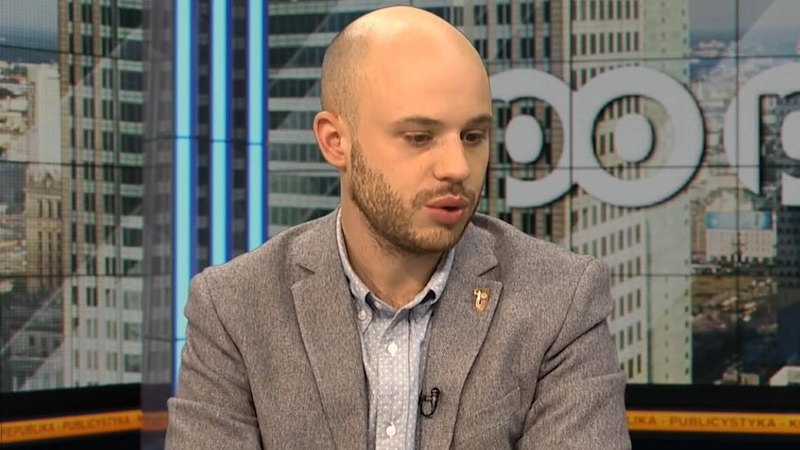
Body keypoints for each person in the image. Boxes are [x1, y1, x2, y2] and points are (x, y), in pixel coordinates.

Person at [165, 5, 630, 450]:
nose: (457, 167)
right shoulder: (234, 308)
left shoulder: (560, 300)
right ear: (335, 141)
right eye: (419, 137)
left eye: (473, 136)